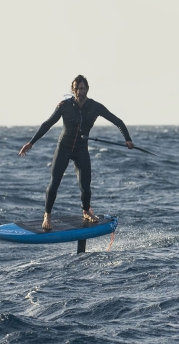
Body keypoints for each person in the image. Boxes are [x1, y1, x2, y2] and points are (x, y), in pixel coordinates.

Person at [18, 75, 134, 230]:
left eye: (82, 88)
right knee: (54, 184)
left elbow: (117, 121)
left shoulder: (95, 107)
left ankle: (86, 211)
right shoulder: (64, 106)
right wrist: (31, 142)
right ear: (72, 90)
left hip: (81, 150)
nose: (79, 91)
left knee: (86, 187)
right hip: (64, 148)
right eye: (77, 89)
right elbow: (48, 123)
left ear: (87, 89)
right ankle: (47, 215)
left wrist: (127, 139)